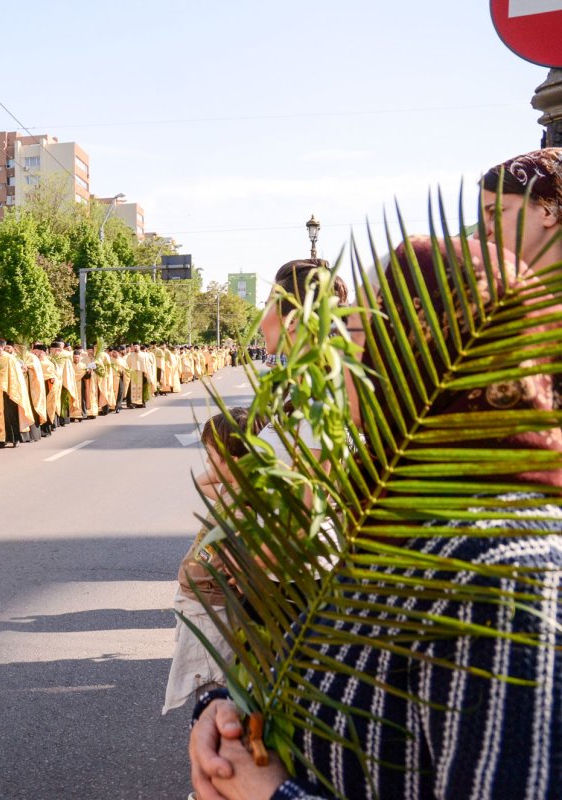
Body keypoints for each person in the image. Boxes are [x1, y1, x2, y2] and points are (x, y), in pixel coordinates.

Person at [190, 157, 562, 799]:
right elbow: (336, 668)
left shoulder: (508, 576)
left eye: (364, 338)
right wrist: (226, 711)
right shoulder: (397, 516)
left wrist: (272, 795)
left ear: (431, 357)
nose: (345, 364)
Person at [163, 407, 260, 716]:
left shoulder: (245, 506)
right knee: (205, 679)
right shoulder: (233, 491)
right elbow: (203, 485)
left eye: (210, 456)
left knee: (210, 684)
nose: (207, 465)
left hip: (211, 606)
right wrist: (222, 466)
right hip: (200, 601)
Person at [0, 339, 29, 448]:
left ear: (2, 347)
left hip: (7, 391)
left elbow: (14, 376)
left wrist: (10, 389)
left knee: (10, 416)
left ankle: (14, 439)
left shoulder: (10, 359)